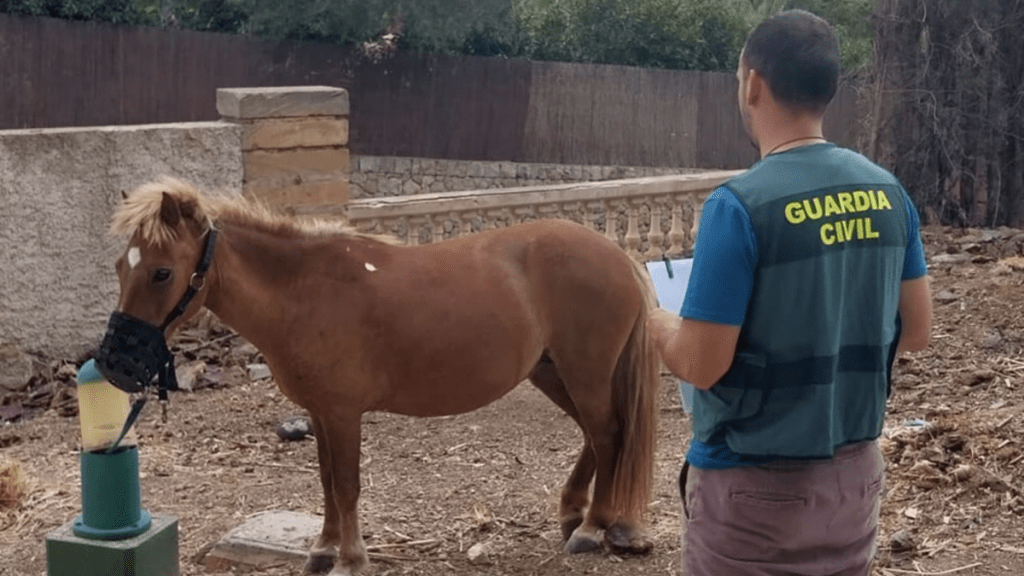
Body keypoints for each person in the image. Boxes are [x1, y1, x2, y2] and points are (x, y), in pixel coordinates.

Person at [646, 9, 932, 576]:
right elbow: (917, 333)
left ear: (752, 83)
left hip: (752, 492)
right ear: (827, 90)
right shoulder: (888, 193)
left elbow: (702, 364)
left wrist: (657, 322)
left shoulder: (739, 206)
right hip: (853, 482)